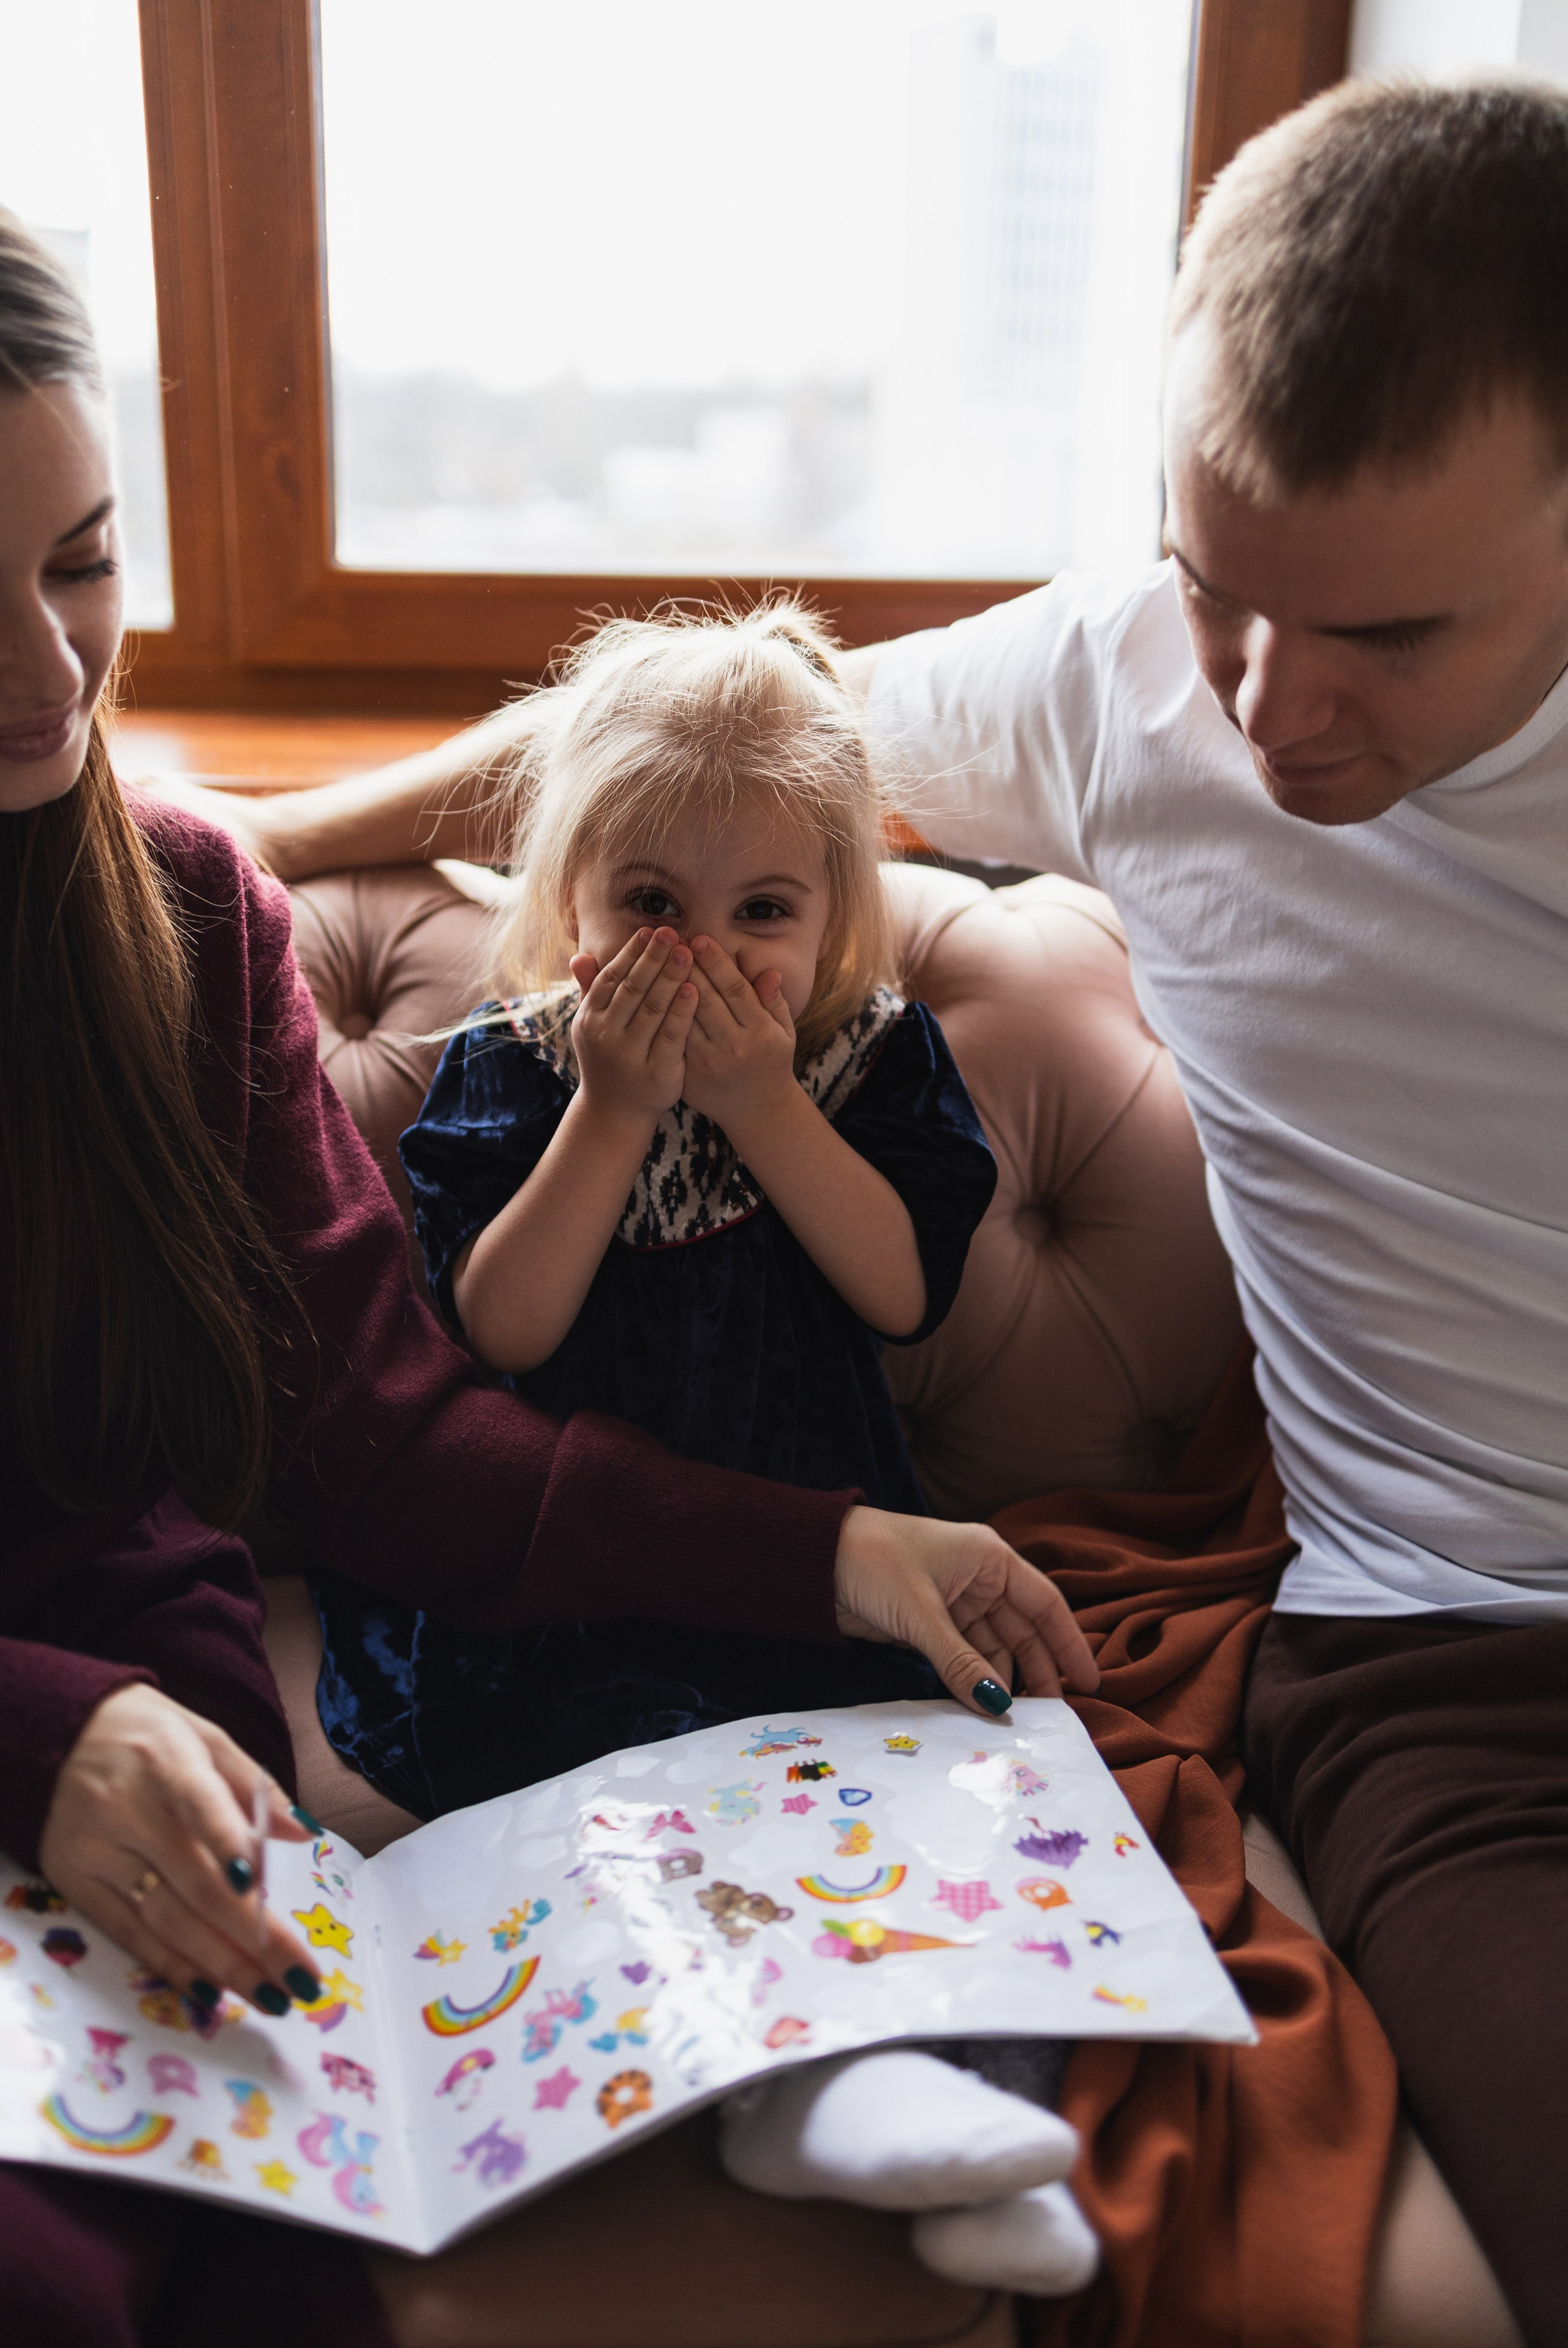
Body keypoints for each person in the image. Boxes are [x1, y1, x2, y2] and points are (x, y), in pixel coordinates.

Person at [182, 77, 1568, 2347]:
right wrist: (212, 869)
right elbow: (713, 738)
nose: (1266, 710)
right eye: (1219, 591)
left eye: (1389, 638)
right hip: (1454, 1657)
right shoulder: (1133, 687)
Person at [0, 213, 1103, 2344]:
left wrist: (847, 1551)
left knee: (282, 2292)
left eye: (80, 560)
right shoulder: (517, 1062)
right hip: (74, 1762)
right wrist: (40, 1732)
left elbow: (401, 1441)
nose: (58, 678)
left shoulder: (183, 922)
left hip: (199, 1804)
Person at [309, 599, 998, 1819]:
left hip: (814, 1530)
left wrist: (764, 1106)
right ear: (566, 898)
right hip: (573, 1557)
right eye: (652, 905)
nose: (707, 955)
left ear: (834, 914)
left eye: (764, 913)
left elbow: (901, 1296)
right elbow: (502, 1331)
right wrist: (614, 1111)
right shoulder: (518, 1064)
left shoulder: (873, 1059)